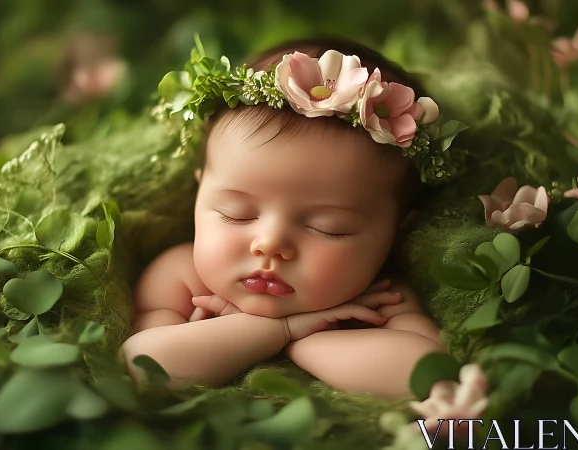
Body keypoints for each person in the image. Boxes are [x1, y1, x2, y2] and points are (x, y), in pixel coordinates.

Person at [121, 37, 448, 400]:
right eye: (237, 215)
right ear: (199, 196)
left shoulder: (381, 299)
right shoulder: (183, 277)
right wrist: (280, 330)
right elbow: (145, 364)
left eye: (328, 228)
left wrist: (304, 341)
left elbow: (427, 376)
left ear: (395, 232)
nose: (271, 243)